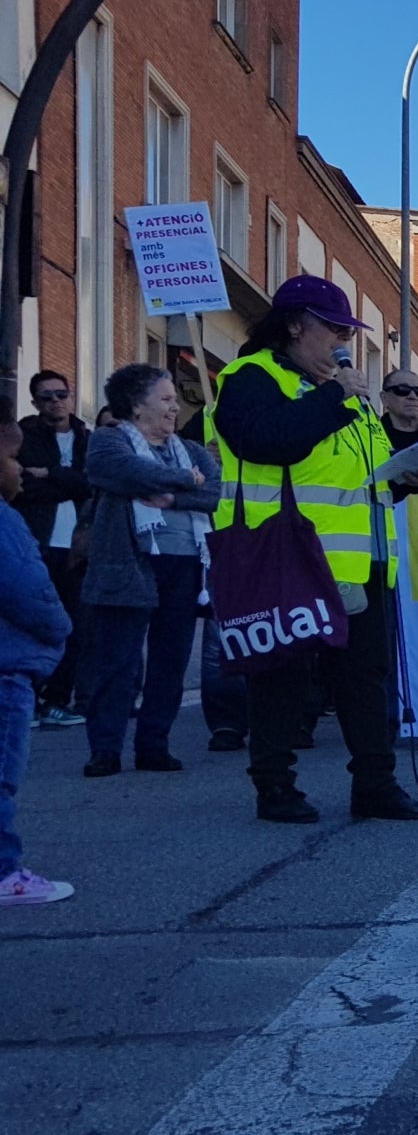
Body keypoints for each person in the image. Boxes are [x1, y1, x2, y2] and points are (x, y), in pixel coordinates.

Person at [210, 273, 418, 825]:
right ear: (295, 325)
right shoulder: (250, 378)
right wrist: (333, 396)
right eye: (333, 328)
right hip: (291, 556)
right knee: (283, 675)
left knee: (366, 678)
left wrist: (405, 478)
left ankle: (376, 784)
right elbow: (265, 440)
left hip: (363, 561)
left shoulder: (344, 394)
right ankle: (275, 787)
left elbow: (363, 477)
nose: (341, 340)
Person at [75, 364, 219, 777]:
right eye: (167, 399)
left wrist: (175, 498)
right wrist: (184, 480)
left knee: (169, 661)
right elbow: (125, 473)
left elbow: (217, 492)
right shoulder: (108, 440)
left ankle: (154, 745)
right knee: (117, 661)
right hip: (128, 564)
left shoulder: (191, 450)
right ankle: (105, 749)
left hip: (184, 563)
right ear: (137, 406)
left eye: (175, 400)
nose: (176, 407)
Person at [0, 419, 75, 904]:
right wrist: (60, 629)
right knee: (3, 775)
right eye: (12, 459)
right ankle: (6, 872)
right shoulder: (5, 520)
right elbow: (26, 586)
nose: (22, 470)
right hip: (7, 665)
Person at [13, 370, 90, 729]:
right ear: (35, 402)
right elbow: (23, 486)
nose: (55, 401)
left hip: (79, 547)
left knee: (73, 627)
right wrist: (68, 480)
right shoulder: (24, 436)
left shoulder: (87, 438)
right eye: (46, 396)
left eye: (61, 394)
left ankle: (57, 701)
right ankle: (29, 699)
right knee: (36, 624)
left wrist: (52, 474)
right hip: (38, 544)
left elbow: (93, 483)